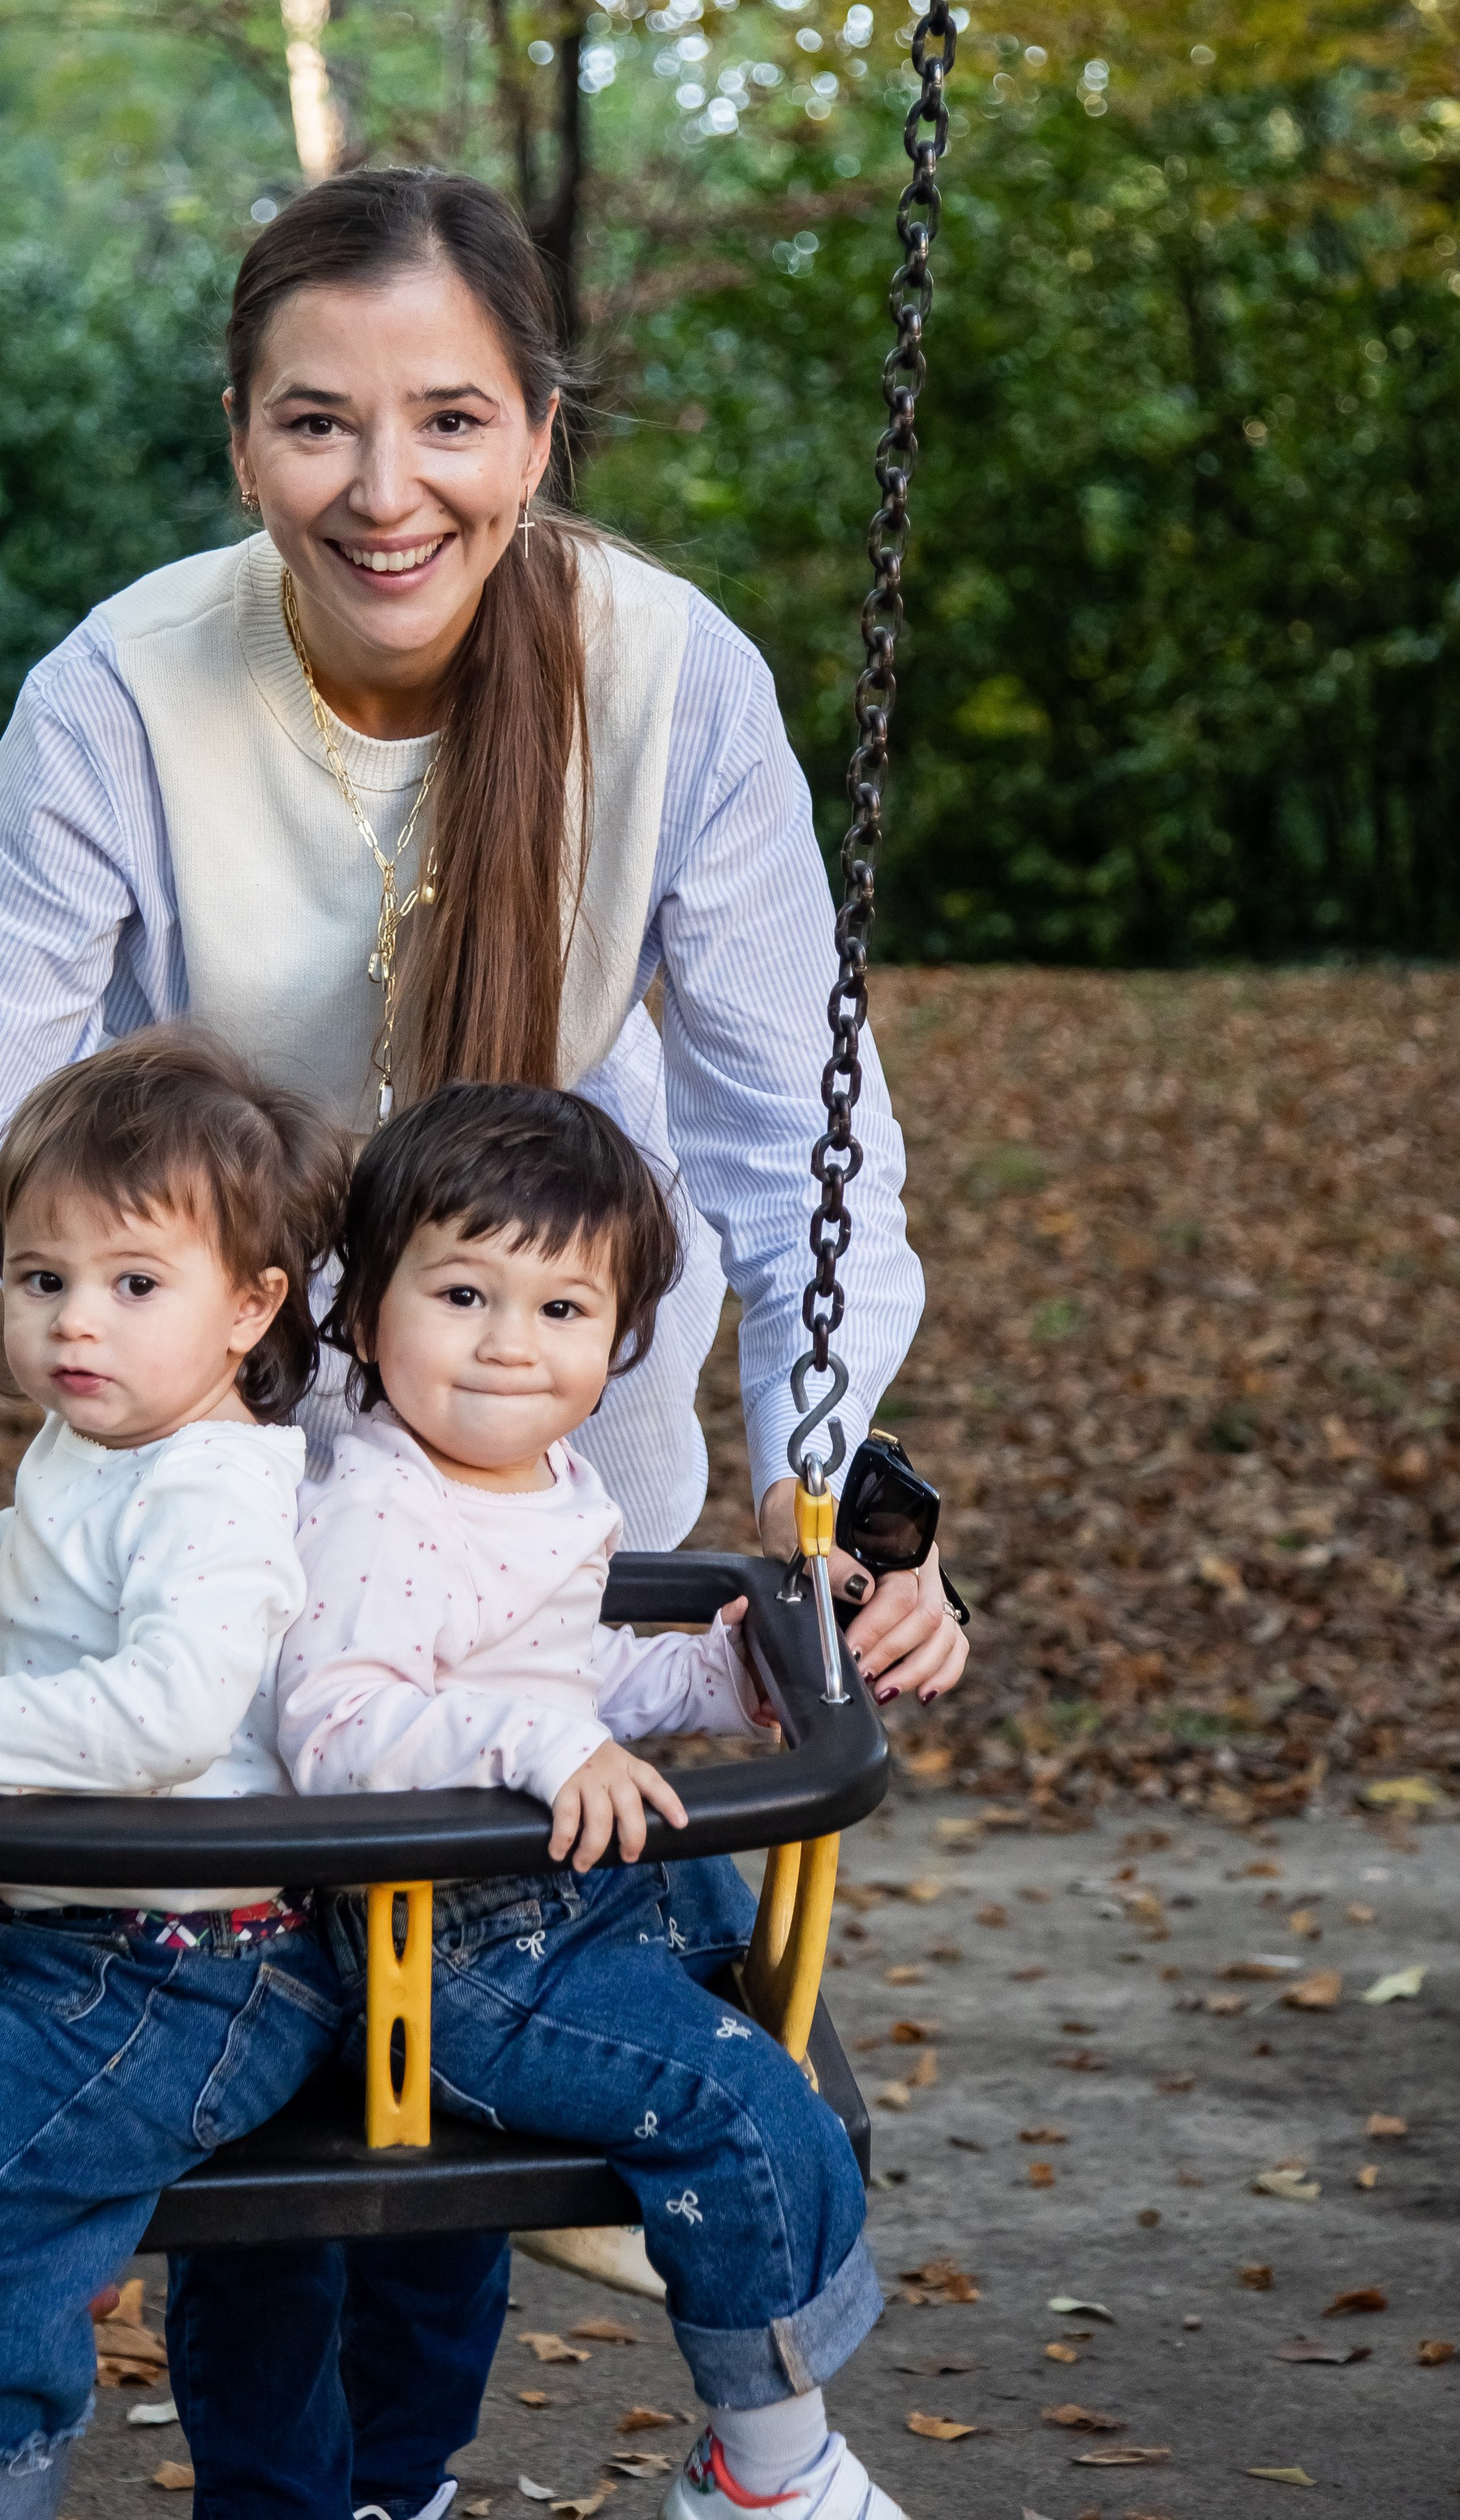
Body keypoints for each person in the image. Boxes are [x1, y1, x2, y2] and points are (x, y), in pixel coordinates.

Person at [0, 167, 971, 2520]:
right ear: (243, 441)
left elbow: (794, 1142)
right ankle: (284, 2489)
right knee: (262, 1996)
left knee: (493, 1988)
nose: (385, 485)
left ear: (540, 425)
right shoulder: (127, 690)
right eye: (319, 424)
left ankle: (398, 2478)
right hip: (216, 1427)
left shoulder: (668, 680)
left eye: (449, 418)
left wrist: (837, 1494)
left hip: (544, 1432)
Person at [283, 1080, 901, 2520]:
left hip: (559, 1892)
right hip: (441, 1949)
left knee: (749, 1985)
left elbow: (576, 1679)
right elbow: (335, 1725)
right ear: (366, 1307)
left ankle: (689, 2232)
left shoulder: (540, 1479)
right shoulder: (372, 1505)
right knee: (739, 2099)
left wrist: (722, 1678)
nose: (510, 1344)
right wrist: (535, 1745)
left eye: (562, 1310)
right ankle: (767, 2469)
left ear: (620, 1340)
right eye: (462, 1293)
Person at [0, 1030, 351, 2518]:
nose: (73, 1327)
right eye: (40, 1281)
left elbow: (173, 1706)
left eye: (131, 1284)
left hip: (188, 1959)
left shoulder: (217, 1488)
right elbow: (53, 1552)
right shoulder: (98, 1444)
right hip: (82, 1929)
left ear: (251, 1308)